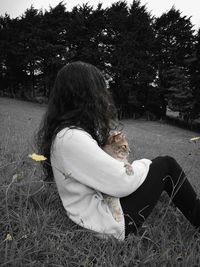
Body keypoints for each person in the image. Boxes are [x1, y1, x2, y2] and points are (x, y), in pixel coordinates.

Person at [37, 61, 200, 241]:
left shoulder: (65, 133)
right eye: (99, 90)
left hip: (94, 213)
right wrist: (146, 164)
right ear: (86, 95)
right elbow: (122, 182)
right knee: (166, 165)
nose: (103, 97)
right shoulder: (71, 137)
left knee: (155, 169)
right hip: (108, 222)